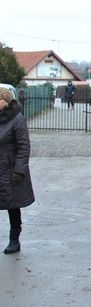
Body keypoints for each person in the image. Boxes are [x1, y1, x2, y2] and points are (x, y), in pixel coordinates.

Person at [0, 87, 34, 254]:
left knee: (12, 205)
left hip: (9, 170)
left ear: (6, 101)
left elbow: (23, 146)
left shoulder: (17, 119)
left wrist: (19, 170)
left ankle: (14, 239)